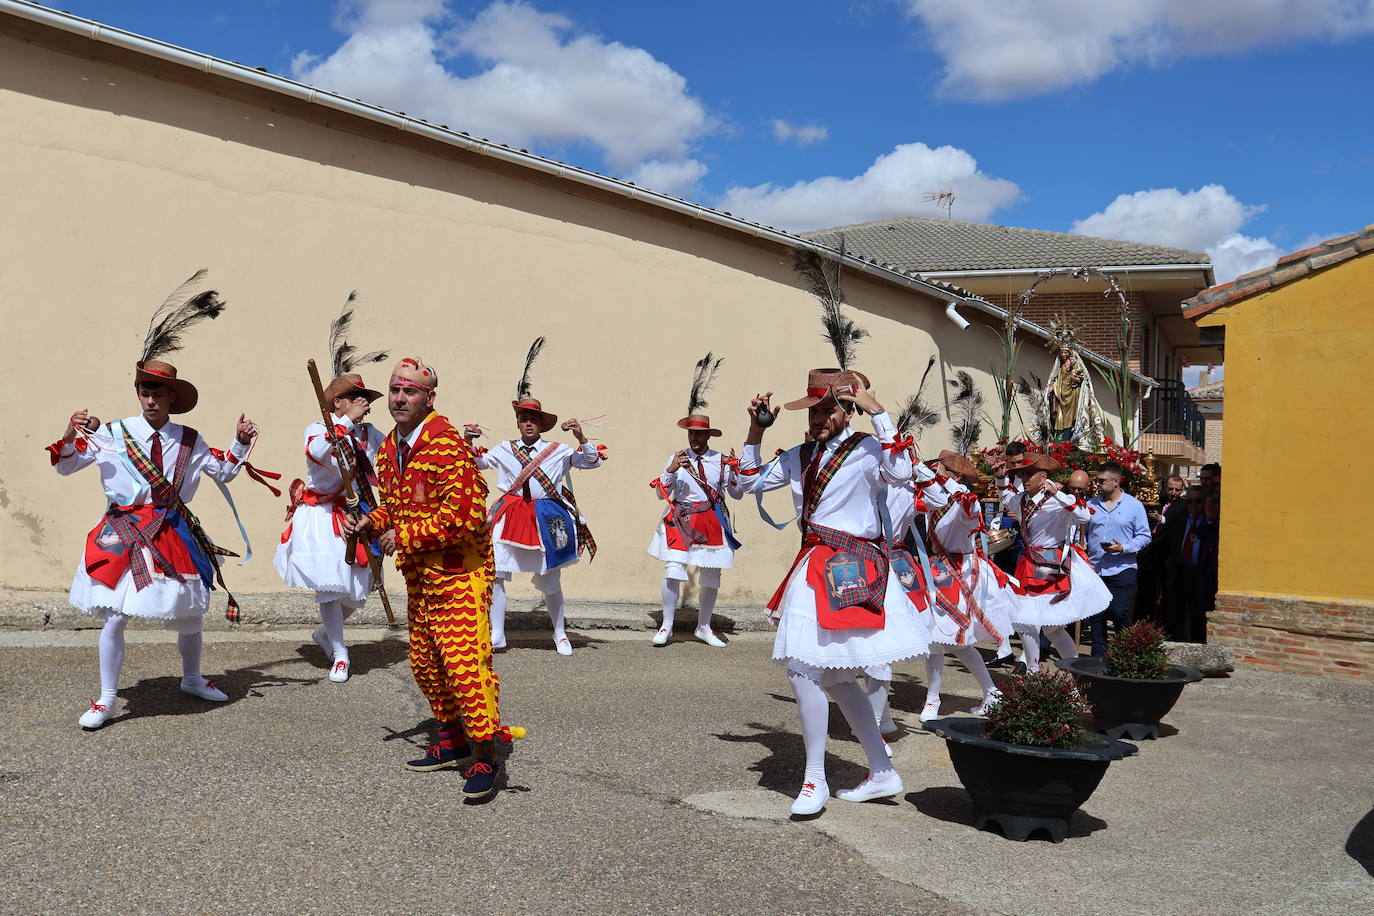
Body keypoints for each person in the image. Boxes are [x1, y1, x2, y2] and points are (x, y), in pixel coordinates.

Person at [50, 274, 258, 729]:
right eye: (144, 390)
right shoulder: (112, 433)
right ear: (138, 392)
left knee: (190, 615)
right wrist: (69, 433)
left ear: (172, 398)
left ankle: (193, 678)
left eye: (158, 392)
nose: (150, 398)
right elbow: (66, 465)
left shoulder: (190, 439)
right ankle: (106, 698)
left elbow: (222, 470)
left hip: (171, 531)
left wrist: (240, 444)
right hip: (123, 531)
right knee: (115, 616)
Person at [739, 369, 931, 816]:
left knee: (805, 672)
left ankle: (815, 779)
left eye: (829, 409)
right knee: (836, 677)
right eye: (816, 411)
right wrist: (755, 430)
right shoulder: (801, 455)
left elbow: (903, 472)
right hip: (814, 565)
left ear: (848, 411)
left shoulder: (869, 448)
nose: (821, 418)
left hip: (850, 566)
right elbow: (747, 483)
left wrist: (879, 412)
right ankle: (882, 772)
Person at [345, 357, 520, 801]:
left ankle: (484, 754)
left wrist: (401, 535)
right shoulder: (389, 451)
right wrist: (371, 521)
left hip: (460, 574)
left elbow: (464, 517)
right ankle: (452, 740)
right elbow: (397, 507)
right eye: (395, 391)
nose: (400, 399)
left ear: (429, 398)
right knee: (425, 664)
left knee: (463, 666)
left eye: (411, 392)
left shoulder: (448, 447)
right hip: (421, 574)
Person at [466, 340, 602, 655]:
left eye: (533, 418)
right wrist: (467, 441)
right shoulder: (503, 448)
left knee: (551, 578)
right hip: (510, 514)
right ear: (517, 421)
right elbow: (476, 464)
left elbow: (590, 461)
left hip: (547, 517)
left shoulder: (558, 450)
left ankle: (559, 634)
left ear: (541, 424)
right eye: (523, 417)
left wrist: (581, 437)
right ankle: (497, 634)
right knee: (497, 573)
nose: (528, 422)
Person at [275, 307, 388, 683]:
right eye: (358, 397)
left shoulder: (369, 433)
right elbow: (320, 453)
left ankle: (325, 634)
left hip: (359, 514)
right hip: (324, 515)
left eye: (365, 398)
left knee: (359, 591)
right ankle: (340, 653)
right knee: (330, 586)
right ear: (337, 403)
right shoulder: (320, 428)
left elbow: (388, 462)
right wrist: (340, 429)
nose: (367, 403)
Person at [915, 451, 1016, 722]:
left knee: (938, 637)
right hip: (936, 569)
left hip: (960, 572)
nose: (935, 470)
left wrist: (953, 492)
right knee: (955, 642)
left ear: (956, 476)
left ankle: (933, 700)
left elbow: (972, 518)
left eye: (941, 468)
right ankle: (992, 692)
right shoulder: (934, 495)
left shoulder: (965, 500)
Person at [1001, 454, 1110, 670]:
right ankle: (1034, 671)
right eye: (1022, 473)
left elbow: (1084, 517)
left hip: (1052, 567)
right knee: (1024, 623)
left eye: (1029, 473)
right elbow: (1005, 498)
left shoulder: (1056, 501)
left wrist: (1058, 494)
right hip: (1029, 564)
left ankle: (1074, 672)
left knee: (1052, 629)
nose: (1024, 478)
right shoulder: (1021, 499)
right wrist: (998, 480)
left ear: (1043, 477)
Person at [647, 411, 742, 647]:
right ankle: (666, 625)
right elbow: (661, 494)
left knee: (711, 575)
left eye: (699, 433)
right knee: (673, 569)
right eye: (691, 433)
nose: (694, 438)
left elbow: (737, 494)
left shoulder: (721, 461)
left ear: (708, 435)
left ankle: (704, 627)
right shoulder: (676, 458)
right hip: (681, 518)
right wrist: (670, 469)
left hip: (711, 519)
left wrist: (736, 472)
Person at [1084, 461, 1152, 656]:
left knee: (1119, 611)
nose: (1097, 484)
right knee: (1097, 615)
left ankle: (1127, 652)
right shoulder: (1091, 505)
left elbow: (1145, 536)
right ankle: (1098, 656)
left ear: (1116, 481)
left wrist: (1123, 547)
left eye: (1102, 480)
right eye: (1097, 480)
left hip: (1123, 566)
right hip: (1096, 567)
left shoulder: (1134, 506)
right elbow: (1083, 533)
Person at [1162, 485, 1213, 642]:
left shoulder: (1210, 522)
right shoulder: (1180, 518)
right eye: (1190, 501)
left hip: (1199, 573)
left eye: (1198, 502)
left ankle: (1198, 643)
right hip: (1180, 571)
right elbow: (1170, 540)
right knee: (1175, 612)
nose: (1193, 505)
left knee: (1197, 613)